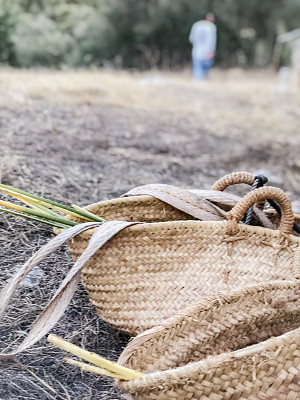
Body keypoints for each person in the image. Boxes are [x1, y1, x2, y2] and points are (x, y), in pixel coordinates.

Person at [189, 13, 217, 80]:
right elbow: (212, 41)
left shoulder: (196, 25)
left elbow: (191, 38)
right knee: (205, 73)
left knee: (197, 71)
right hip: (207, 52)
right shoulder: (211, 27)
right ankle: (204, 85)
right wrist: (211, 51)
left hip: (196, 51)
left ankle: (198, 85)